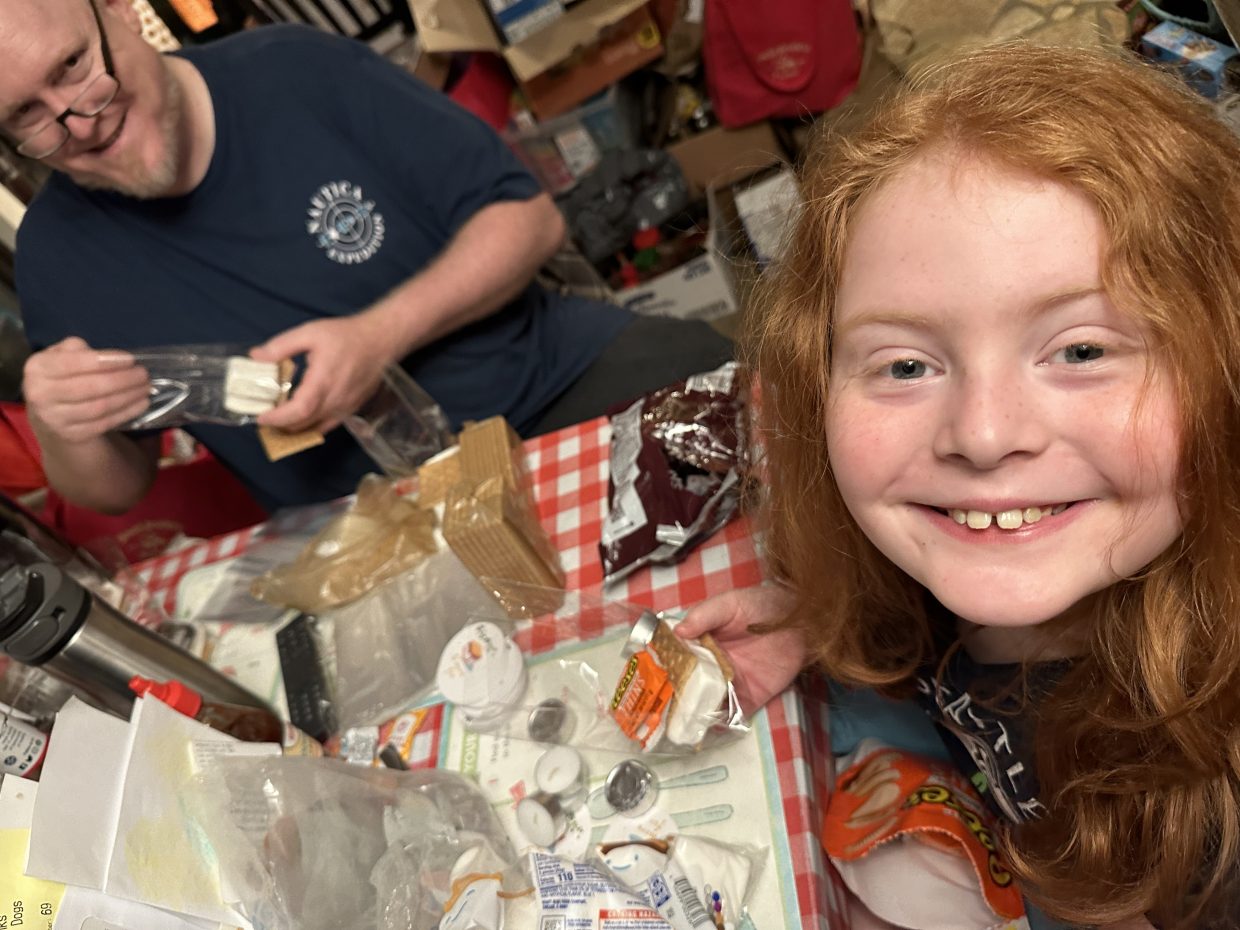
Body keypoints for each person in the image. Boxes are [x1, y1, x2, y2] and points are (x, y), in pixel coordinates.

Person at [676, 42, 1240, 930]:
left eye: (1081, 349)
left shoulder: (1218, 815)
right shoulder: (968, 560)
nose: (982, 435)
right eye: (905, 365)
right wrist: (822, 619)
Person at [9, 0, 731, 515]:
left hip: (550, 392)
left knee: (761, 444)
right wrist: (63, 424)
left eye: (73, 65)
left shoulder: (294, 68)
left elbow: (528, 220)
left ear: (120, 10)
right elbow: (118, 487)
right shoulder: (54, 258)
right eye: (25, 114)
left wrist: (376, 338)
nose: (79, 123)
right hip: (367, 524)